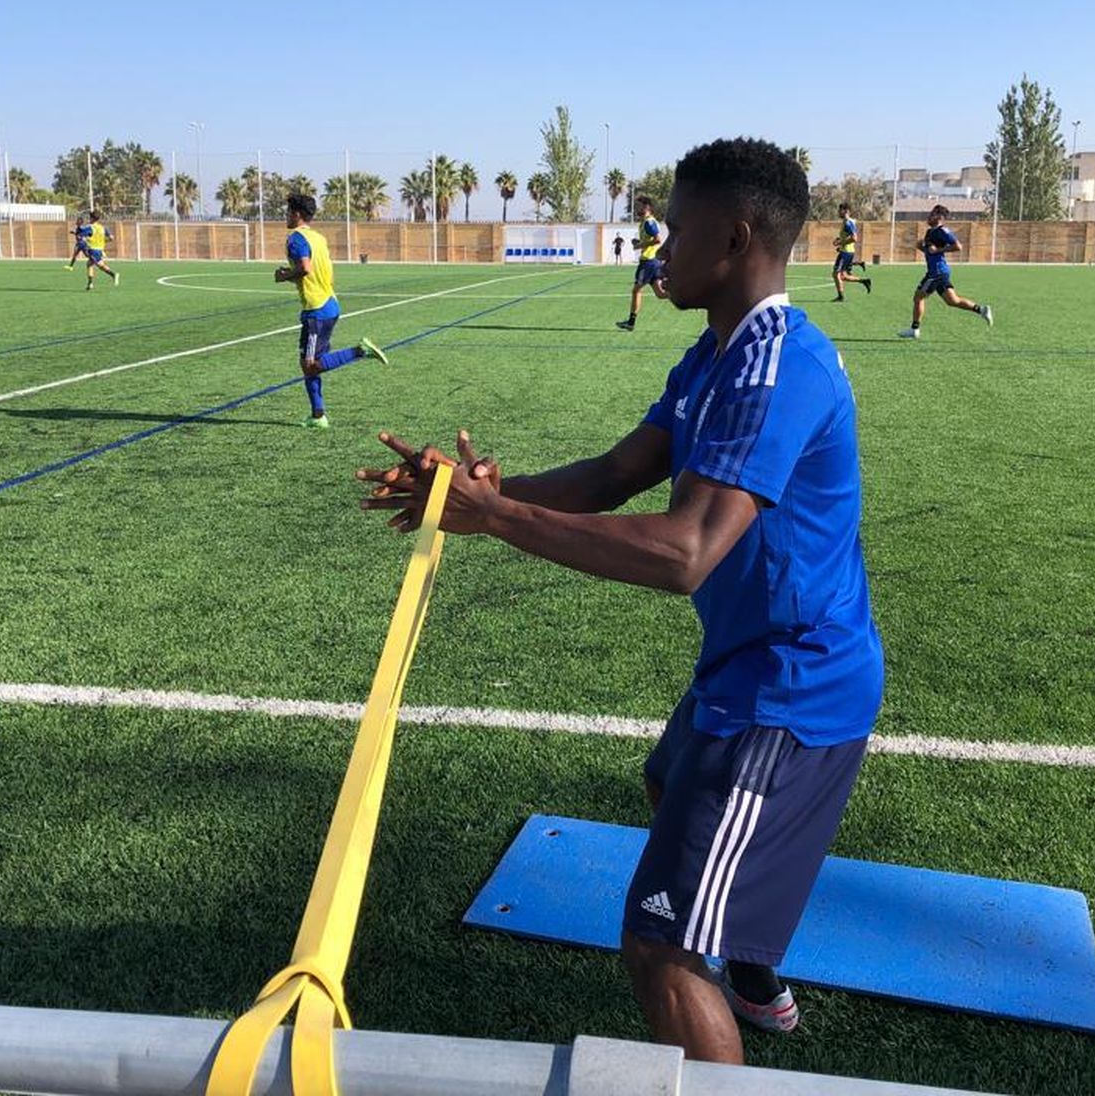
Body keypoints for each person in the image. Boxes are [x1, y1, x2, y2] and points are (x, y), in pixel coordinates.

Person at [358, 138, 883, 1065]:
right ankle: (757, 974)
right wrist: (477, 501)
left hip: (792, 692)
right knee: (664, 780)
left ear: (736, 236)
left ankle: (730, 974)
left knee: (662, 951)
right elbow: (612, 475)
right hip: (747, 665)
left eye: (675, 230)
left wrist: (501, 517)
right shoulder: (717, 355)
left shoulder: (775, 370)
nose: (659, 248)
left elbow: (684, 552)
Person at [275, 192, 389, 429]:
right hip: (327, 303)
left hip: (317, 309)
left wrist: (285, 275)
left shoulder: (295, 238)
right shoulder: (317, 238)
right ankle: (318, 416)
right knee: (308, 363)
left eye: (288, 211)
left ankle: (360, 351)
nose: (285, 215)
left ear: (297, 214)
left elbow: (305, 268)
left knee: (311, 365)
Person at [897, 205, 992, 339]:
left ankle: (914, 329)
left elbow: (958, 246)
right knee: (953, 301)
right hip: (939, 271)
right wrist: (921, 247)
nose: (929, 217)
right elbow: (929, 250)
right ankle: (981, 310)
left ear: (940, 218)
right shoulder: (930, 232)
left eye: (932, 214)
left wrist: (938, 250)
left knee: (918, 297)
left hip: (936, 272)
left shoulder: (943, 231)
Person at [617, 196, 667, 331]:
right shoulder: (646, 222)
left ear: (647, 207)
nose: (636, 209)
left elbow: (657, 240)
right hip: (654, 260)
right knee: (661, 294)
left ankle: (631, 322)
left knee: (636, 290)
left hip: (649, 262)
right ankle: (687, 293)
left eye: (638, 206)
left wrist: (640, 245)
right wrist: (638, 243)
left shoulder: (649, 222)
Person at [830, 202, 871, 301]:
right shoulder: (846, 222)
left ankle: (841, 297)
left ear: (846, 211)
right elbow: (847, 236)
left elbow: (854, 238)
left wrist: (841, 243)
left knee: (836, 274)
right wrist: (839, 240)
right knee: (843, 276)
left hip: (846, 252)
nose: (838, 212)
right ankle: (864, 281)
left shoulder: (848, 222)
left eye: (840, 210)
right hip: (846, 251)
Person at [81, 211, 118, 291]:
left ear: (92, 218)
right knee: (90, 264)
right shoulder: (103, 227)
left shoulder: (90, 227)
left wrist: (85, 239)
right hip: (100, 249)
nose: (89, 219)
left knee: (99, 265)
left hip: (93, 249)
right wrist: (103, 241)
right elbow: (111, 238)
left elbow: (82, 236)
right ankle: (90, 284)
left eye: (90, 218)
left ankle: (113, 274)